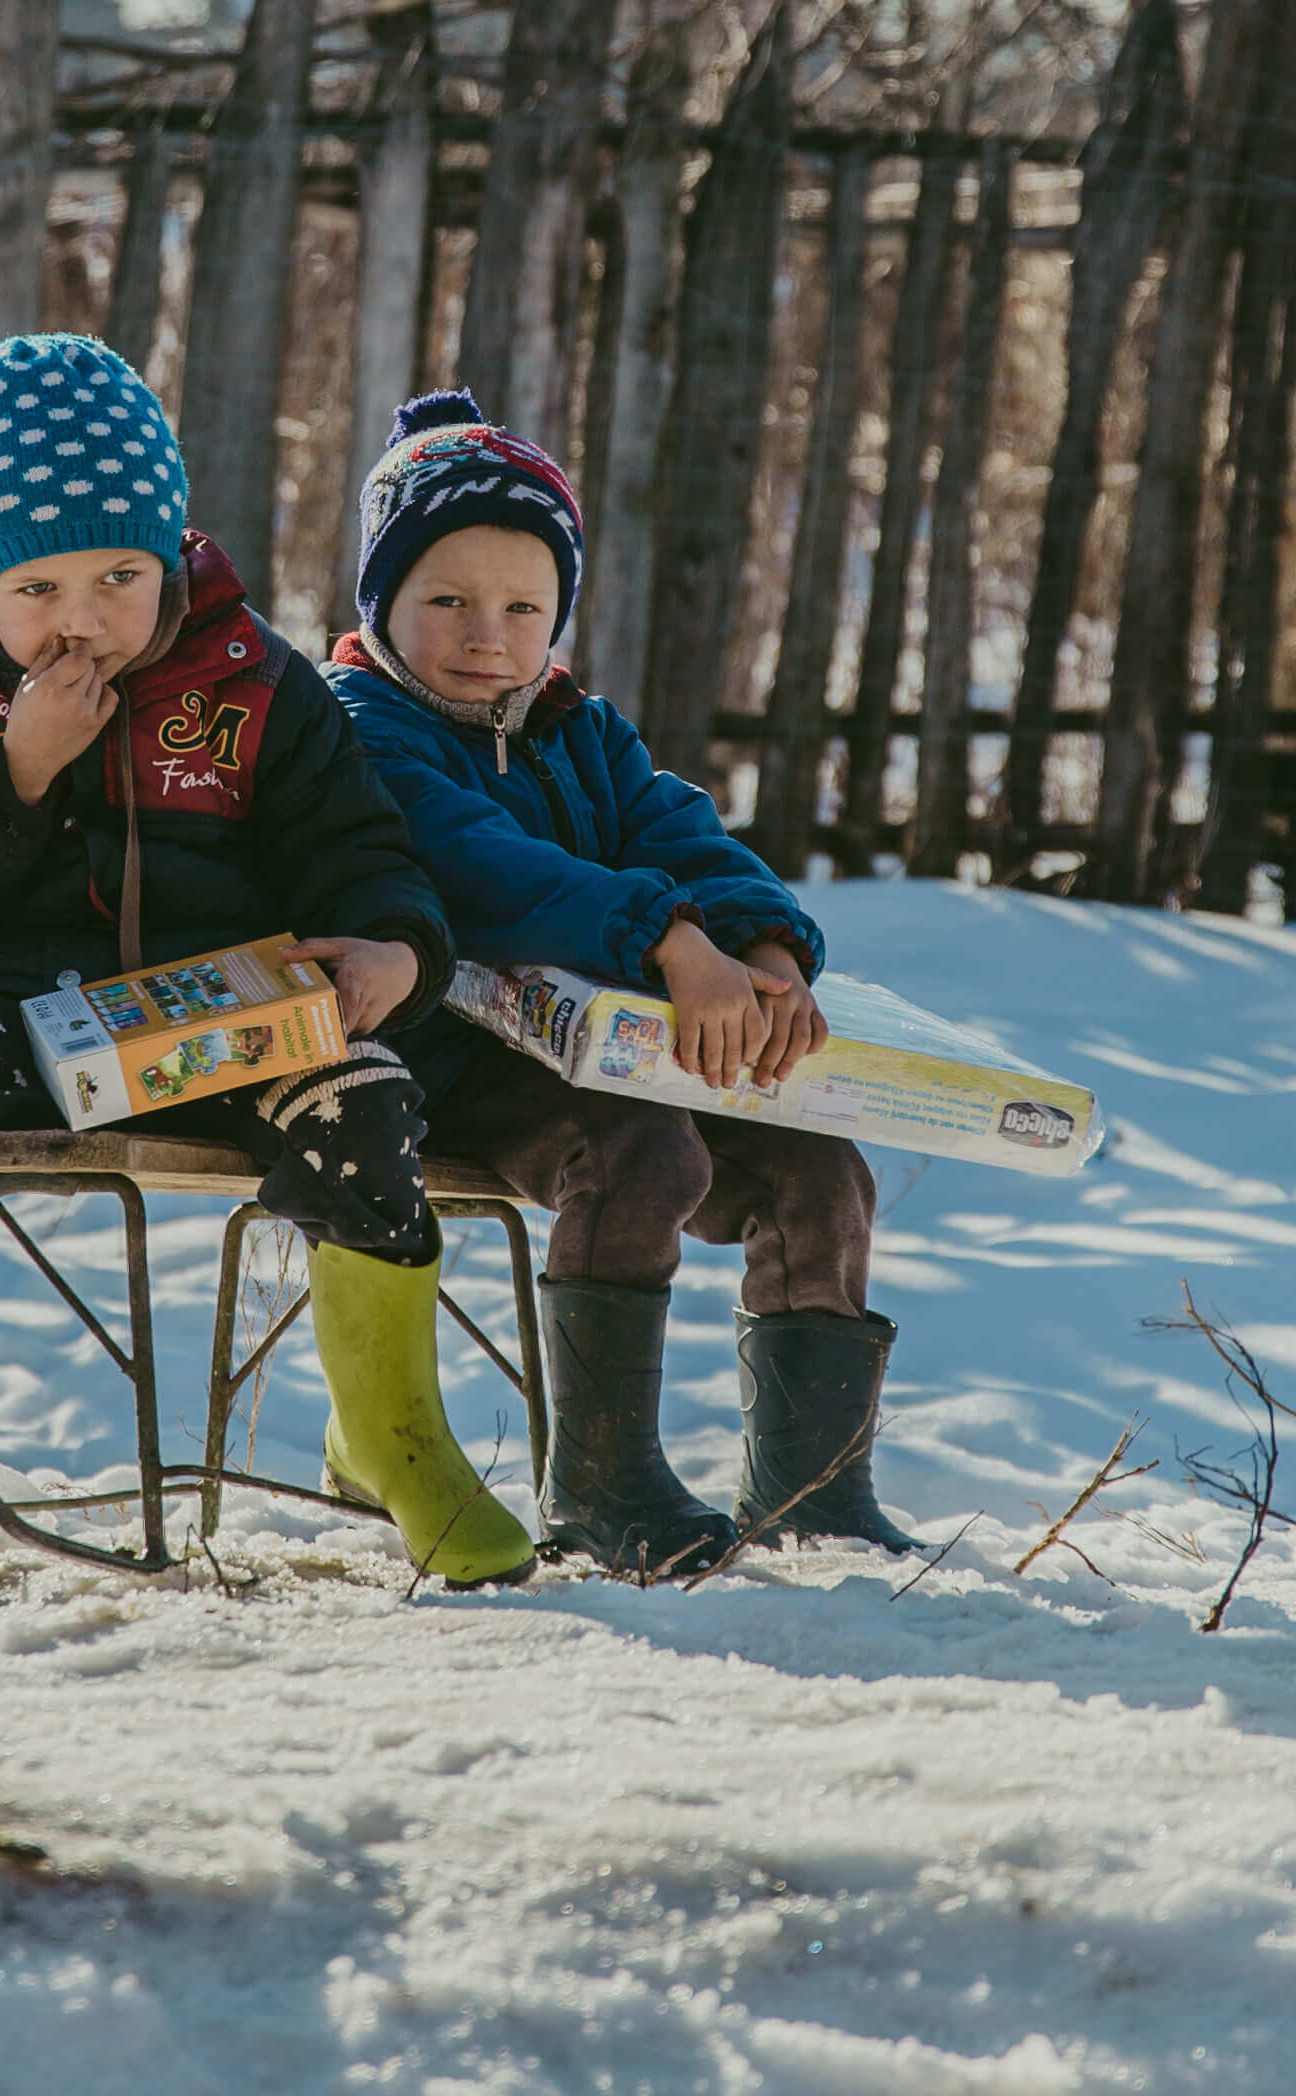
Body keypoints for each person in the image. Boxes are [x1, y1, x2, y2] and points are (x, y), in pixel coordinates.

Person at [0, 333, 537, 1593]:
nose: (81, 620)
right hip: (10, 1023)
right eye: (36, 591)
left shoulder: (255, 682)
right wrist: (11, 773)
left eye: (119, 575)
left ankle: (392, 1440)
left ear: (174, 548)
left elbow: (359, 848)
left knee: (365, 1099)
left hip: (221, 1022)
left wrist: (394, 945)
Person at [323, 392, 915, 1580]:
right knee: (642, 1154)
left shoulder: (575, 727)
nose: (488, 632)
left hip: (608, 1044)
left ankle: (813, 1486)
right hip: (450, 1052)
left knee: (819, 1167)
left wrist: (765, 947)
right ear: (382, 601)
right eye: (447, 599)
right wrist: (667, 941)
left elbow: (685, 834)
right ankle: (599, 1480)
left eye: (522, 605)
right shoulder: (359, 726)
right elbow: (487, 870)